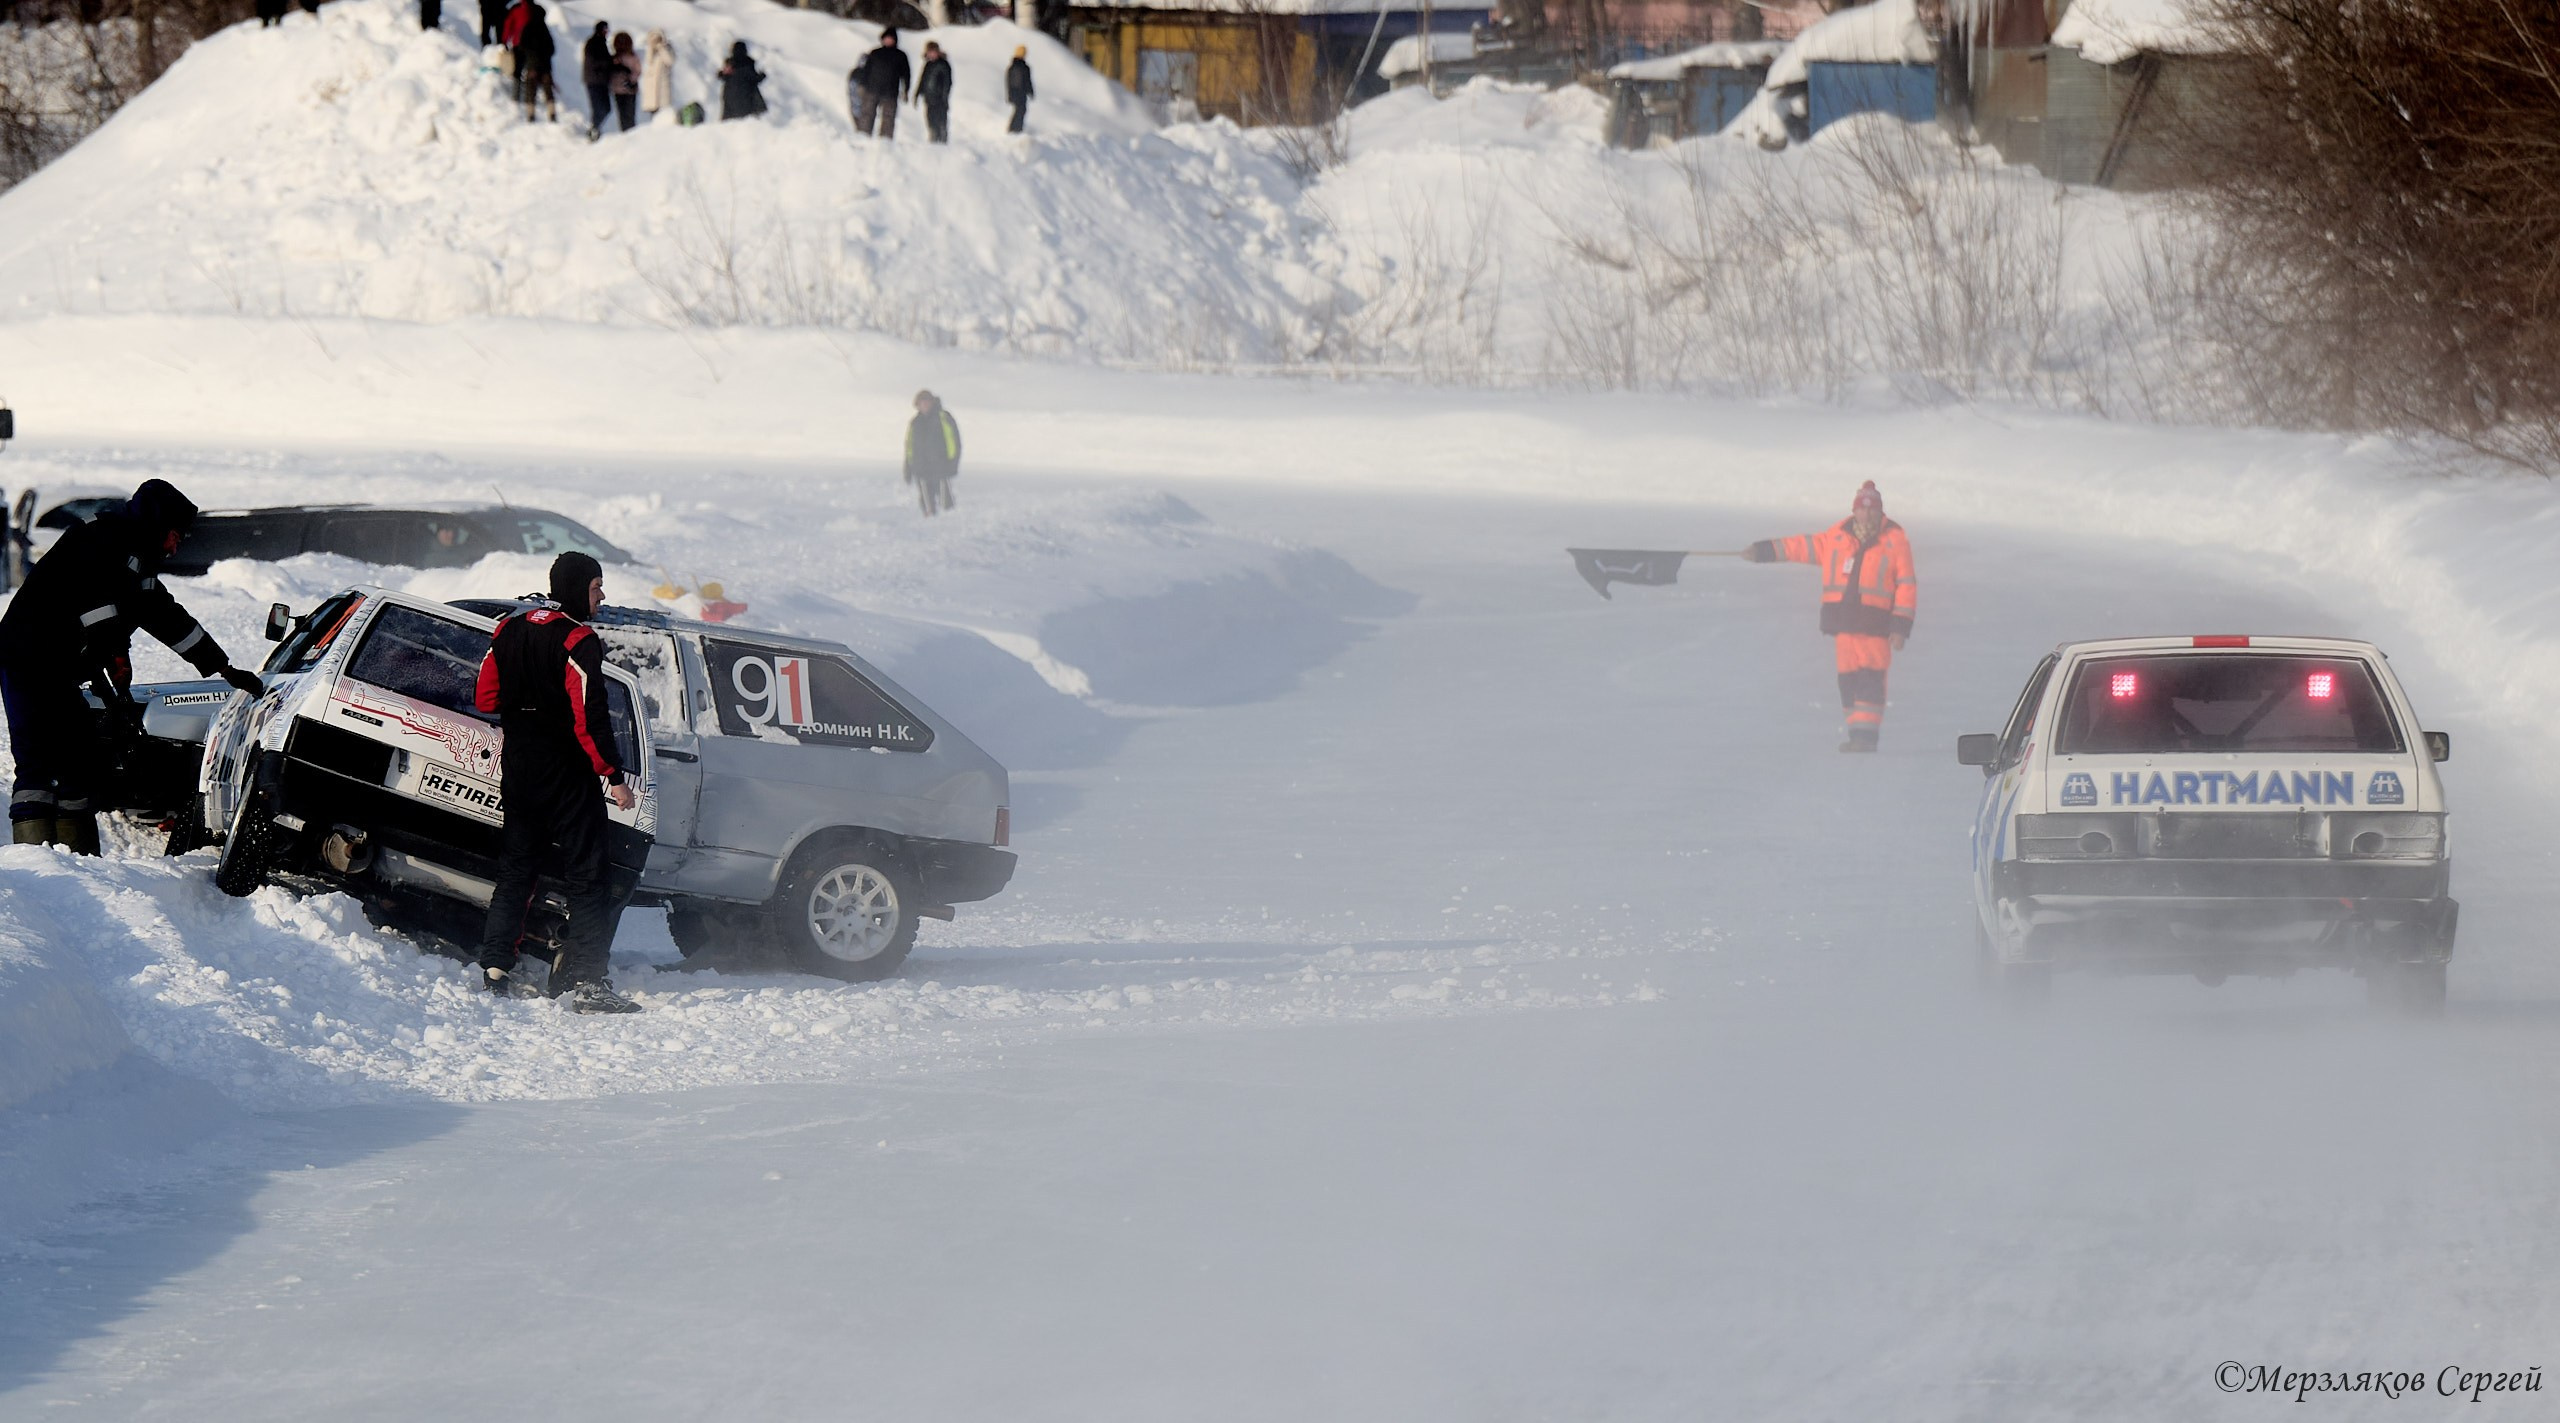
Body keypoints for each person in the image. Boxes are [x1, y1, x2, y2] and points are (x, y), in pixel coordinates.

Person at [0, 481, 262, 852]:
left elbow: (163, 615)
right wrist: (114, 658)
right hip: (27, 659)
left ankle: (80, 865)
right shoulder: (100, 540)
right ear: (156, 523)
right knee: (36, 766)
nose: (174, 548)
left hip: (61, 667)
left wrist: (222, 666)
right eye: (174, 536)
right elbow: (97, 609)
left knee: (76, 764)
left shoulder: (136, 557)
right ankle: (35, 870)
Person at [472, 552, 642, 1013]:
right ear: (574, 588)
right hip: (566, 777)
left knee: (516, 870)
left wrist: (522, 709)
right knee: (589, 876)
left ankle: (494, 969)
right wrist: (613, 776)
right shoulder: (578, 639)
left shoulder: (509, 627)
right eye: (595, 587)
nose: (602, 596)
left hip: (520, 770)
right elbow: (589, 718)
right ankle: (588, 982)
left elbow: (484, 696)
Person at [1745, 481, 1916, 753]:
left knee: (1871, 680)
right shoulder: (1836, 536)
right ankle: (1856, 734)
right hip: (1844, 624)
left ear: (1881, 512)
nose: (1867, 515)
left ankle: (1866, 738)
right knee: (1848, 681)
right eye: (1863, 509)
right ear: (1854, 510)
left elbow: (1906, 584)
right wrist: (1764, 551)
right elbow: (1799, 547)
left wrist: (1900, 626)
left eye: (1873, 510)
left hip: (1876, 625)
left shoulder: (1895, 539)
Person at [903, 390, 961, 517]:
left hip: (940, 467)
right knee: (926, 504)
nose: (924, 405)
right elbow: (909, 447)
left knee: (946, 503)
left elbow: (953, 442)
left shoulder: (943, 417)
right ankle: (929, 518)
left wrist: (952, 463)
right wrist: (908, 468)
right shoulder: (915, 422)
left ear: (932, 402)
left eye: (926, 402)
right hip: (921, 468)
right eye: (921, 403)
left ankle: (949, 522)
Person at [849, 30, 910, 139]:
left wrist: (906, 90)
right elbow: (866, 71)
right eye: (886, 38)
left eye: (891, 38)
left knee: (888, 118)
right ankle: (863, 137)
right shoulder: (875, 53)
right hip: (872, 89)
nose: (888, 40)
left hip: (890, 92)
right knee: (867, 115)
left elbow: (906, 74)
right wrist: (862, 85)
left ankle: (885, 141)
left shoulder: (900, 56)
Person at [508, 0, 558, 121]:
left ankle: (531, 114)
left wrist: (530, 56)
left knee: (531, 90)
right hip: (545, 65)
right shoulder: (545, 30)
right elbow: (552, 48)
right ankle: (551, 113)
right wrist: (545, 56)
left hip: (532, 64)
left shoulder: (528, 28)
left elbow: (522, 46)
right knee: (548, 89)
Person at [579, 21, 614, 138]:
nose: (607, 32)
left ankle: (595, 128)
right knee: (599, 107)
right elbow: (593, 61)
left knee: (606, 108)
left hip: (602, 81)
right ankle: (594, 130)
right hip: (594, 80)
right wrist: (609, 62)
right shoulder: (592, 43)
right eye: (605, 30)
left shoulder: (601, 43)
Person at [914, 40, 952, 143]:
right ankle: (933, 139)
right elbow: (922, 80)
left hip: (940, 99)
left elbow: (948, 82)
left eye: (934, 51)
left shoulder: (944, 64)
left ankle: (942, 141)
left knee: (941, 121)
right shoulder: (928, 65)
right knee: (930, 121)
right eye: (930, 52)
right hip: (929, 98)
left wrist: (944, 96)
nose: (932, 54)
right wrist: (917, 94)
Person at [719, 41, 766, 121]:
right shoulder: (748, 63)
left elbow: (722, 76)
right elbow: (754, 79)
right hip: (746, 99)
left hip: (730, 98)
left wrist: (721, 73)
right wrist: (762, 75)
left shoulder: (730, 64)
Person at [609, 31, 642, 132]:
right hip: (626, 90)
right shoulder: (630, 57)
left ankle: (627, 132)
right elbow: (637, 71)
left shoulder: (616, 58)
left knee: (625, 115)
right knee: (628, 115)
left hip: (621, 90)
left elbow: (637, 71)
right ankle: (628, 133)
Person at [641, 29, 676, 120]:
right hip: (652, 87)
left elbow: (670, 61)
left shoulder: (668, 49)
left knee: (663, 113)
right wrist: (651, 47)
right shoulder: (650, 50)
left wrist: (661, 47)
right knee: (653, 113)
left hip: (662, 85)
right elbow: (648, 62)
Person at [1005, 45, 1033, 134]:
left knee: (1020, 110)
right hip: (1020, 93)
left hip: (1016, 93)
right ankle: (1014, 129)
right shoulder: (1022, 67)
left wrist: (1010, 93)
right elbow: (1026, 81)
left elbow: (1009, 82)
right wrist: (1030, 91)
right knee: (1020, 110)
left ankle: (1015, 129)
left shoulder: (1012, 67)